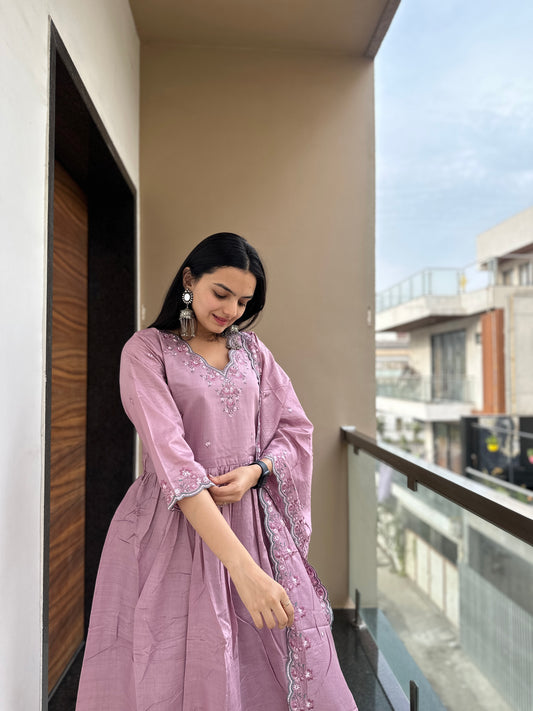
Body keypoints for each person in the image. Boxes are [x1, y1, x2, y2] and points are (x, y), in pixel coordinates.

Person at [76, 232, 357, 711]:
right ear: (190, 279)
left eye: (243, 302)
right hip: (174, 524)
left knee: (269, 663)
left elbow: (294, 428)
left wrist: (256, 471)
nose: (230, 310)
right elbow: (175, 466)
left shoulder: (252, 351)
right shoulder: (146, 352)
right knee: (176, 660)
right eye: (221, 294)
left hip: (252, 521)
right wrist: (245, 571)